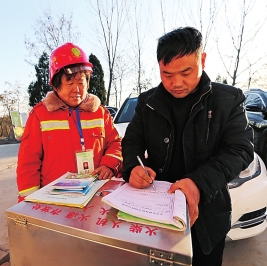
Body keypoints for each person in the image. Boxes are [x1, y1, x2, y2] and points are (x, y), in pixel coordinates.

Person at [121, 27, 253, 265]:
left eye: (186, 72)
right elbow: (132, 141)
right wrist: (133, 167)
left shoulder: (229, 100)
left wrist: (198, 183)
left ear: (202, 59)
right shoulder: (147, 102)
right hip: (155, 213)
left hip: (207, 216)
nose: (176, 83)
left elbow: (240, 149)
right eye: (167, 74)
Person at [17, 42, 122, 202]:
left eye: (81, 82)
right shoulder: (40, 115)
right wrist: (29, 201)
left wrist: (109, 164)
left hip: (96, 192)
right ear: (56, 85)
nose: (77, 89)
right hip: (55, 197)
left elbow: (116, 143)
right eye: (70, 83)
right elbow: (28, 161)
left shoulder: (100, 113)